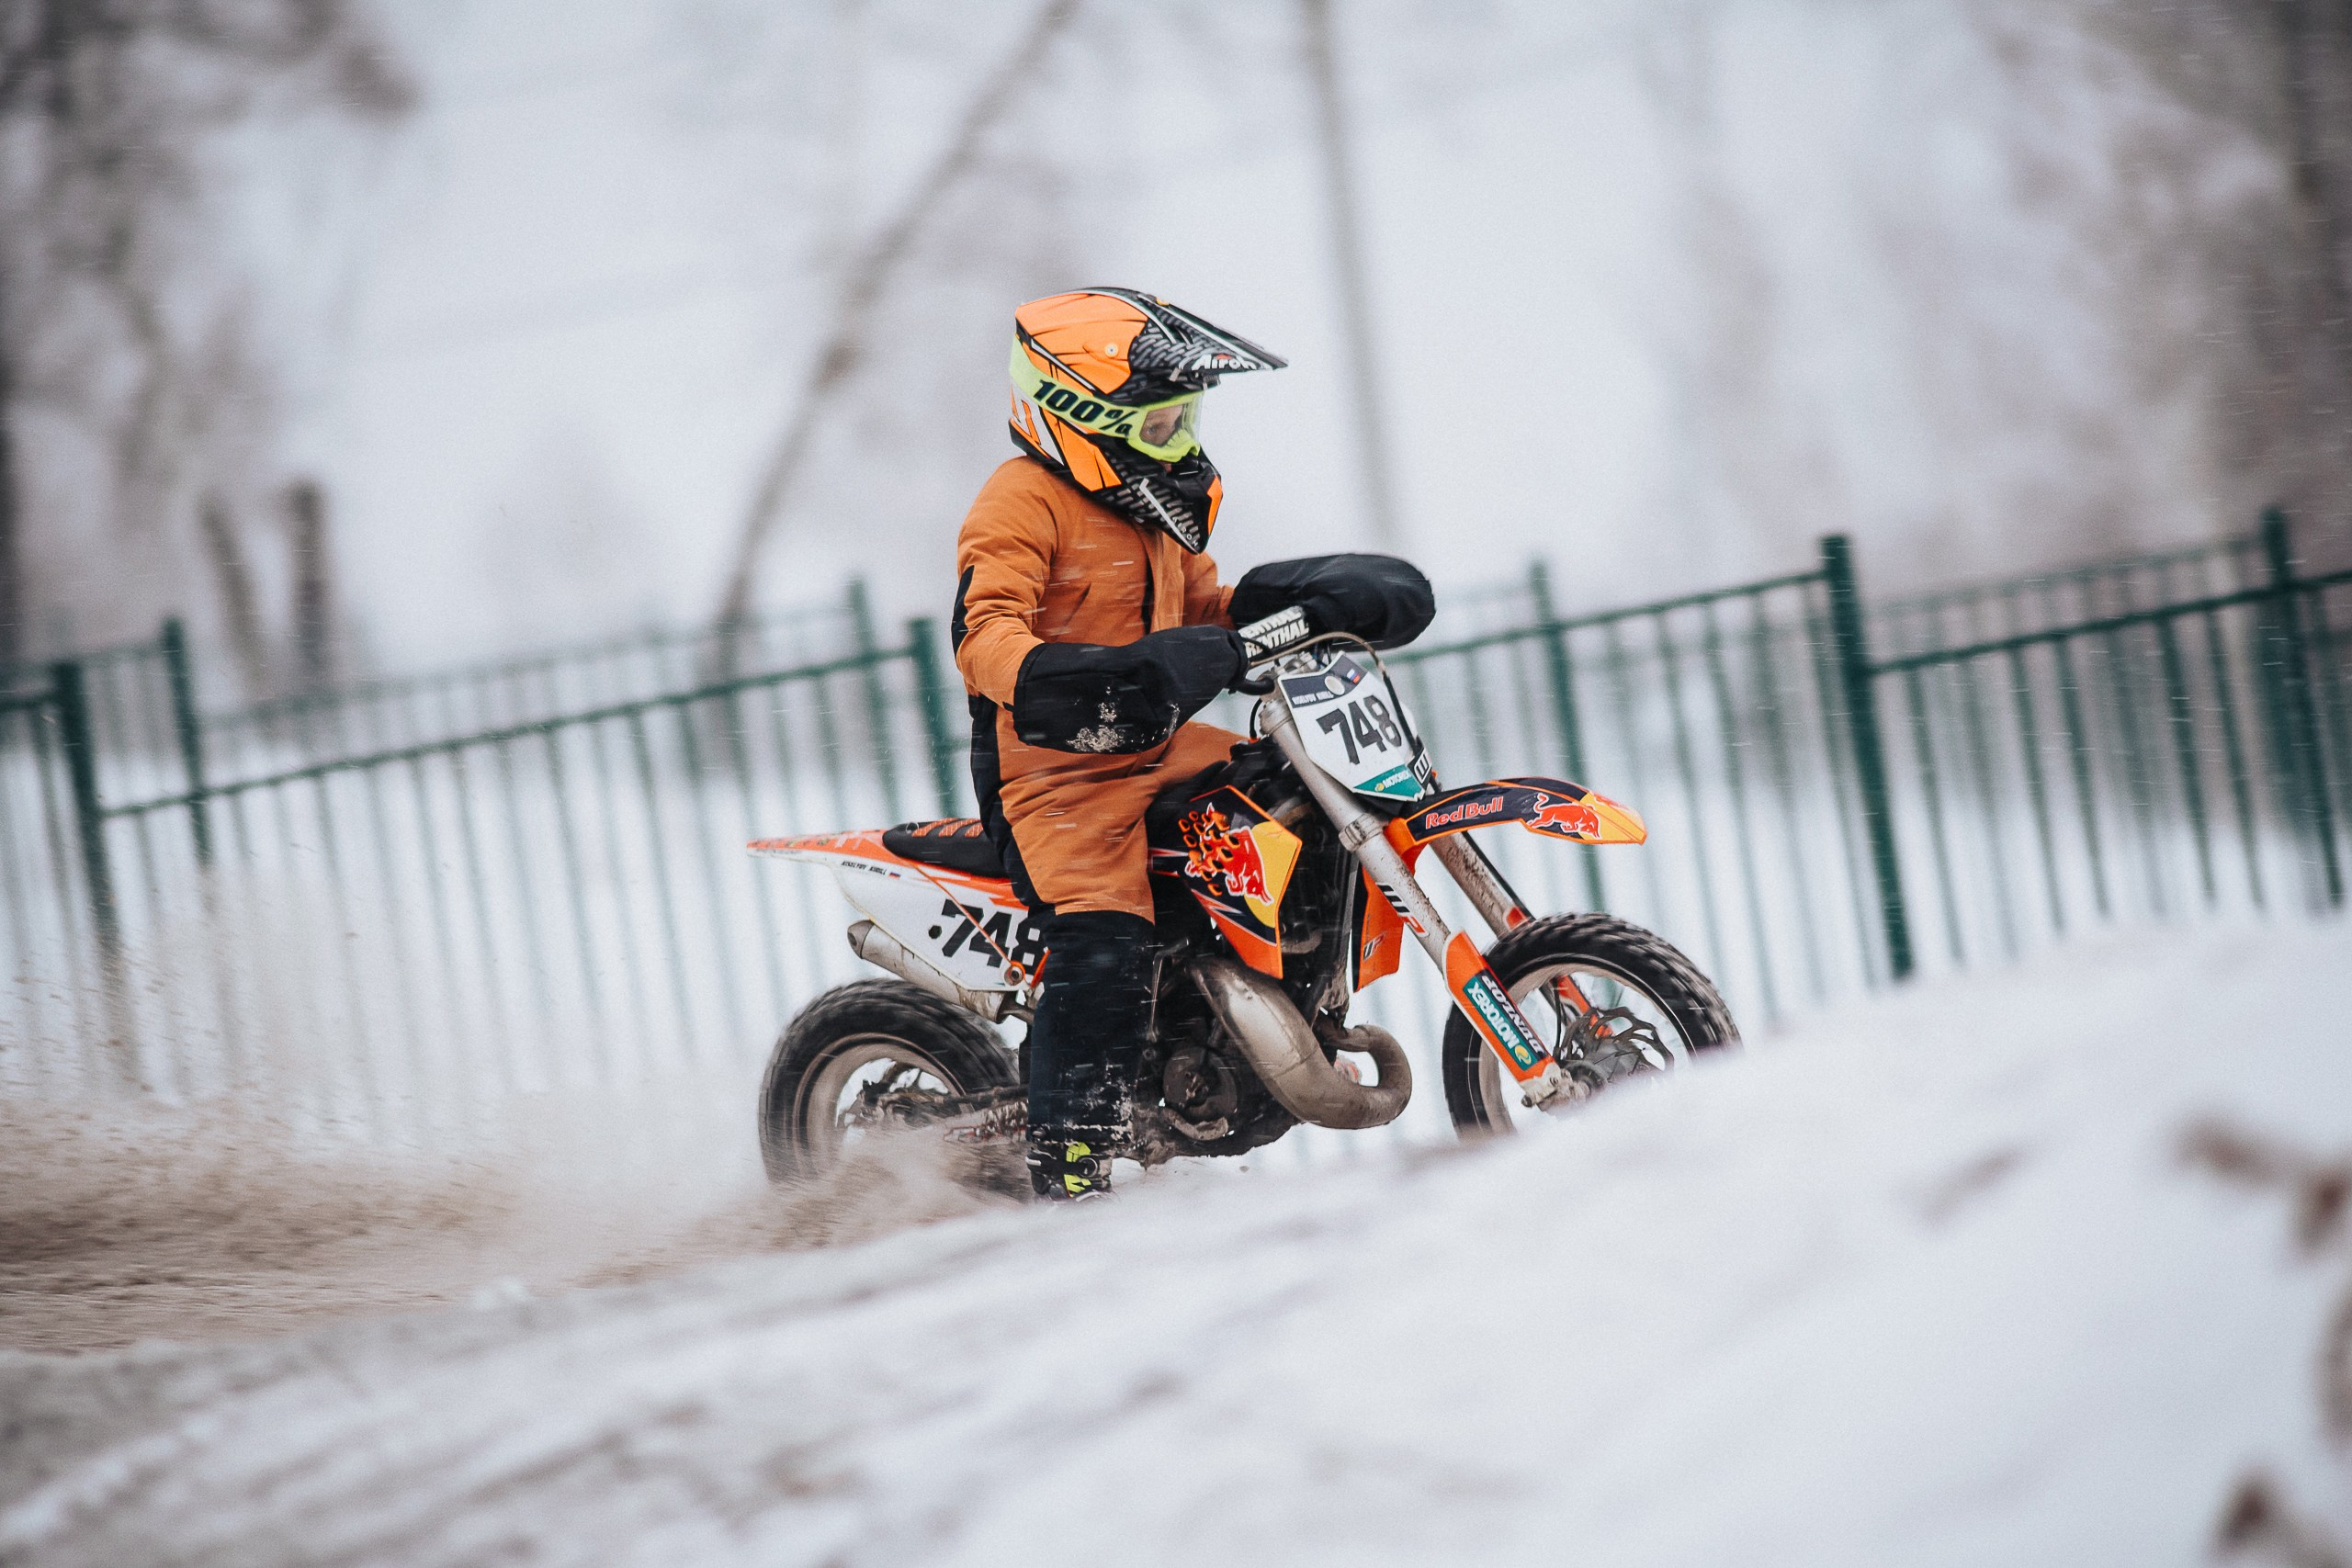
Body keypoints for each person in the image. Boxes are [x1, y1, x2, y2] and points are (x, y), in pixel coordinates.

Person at [952, 288, 1432, 1200]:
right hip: (1058, 766)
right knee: (1106, 944)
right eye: (1161, 416)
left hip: (1160, 739)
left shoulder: (1152, 504)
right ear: (1082, 412)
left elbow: (1196, 618)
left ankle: (1241, 1024)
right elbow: (987, 635)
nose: (1178, 434)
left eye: (1184, 416)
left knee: (1296, 803)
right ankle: (1072, 1161)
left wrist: (1306, 603)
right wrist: (1071, 673)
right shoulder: (1018, 503)